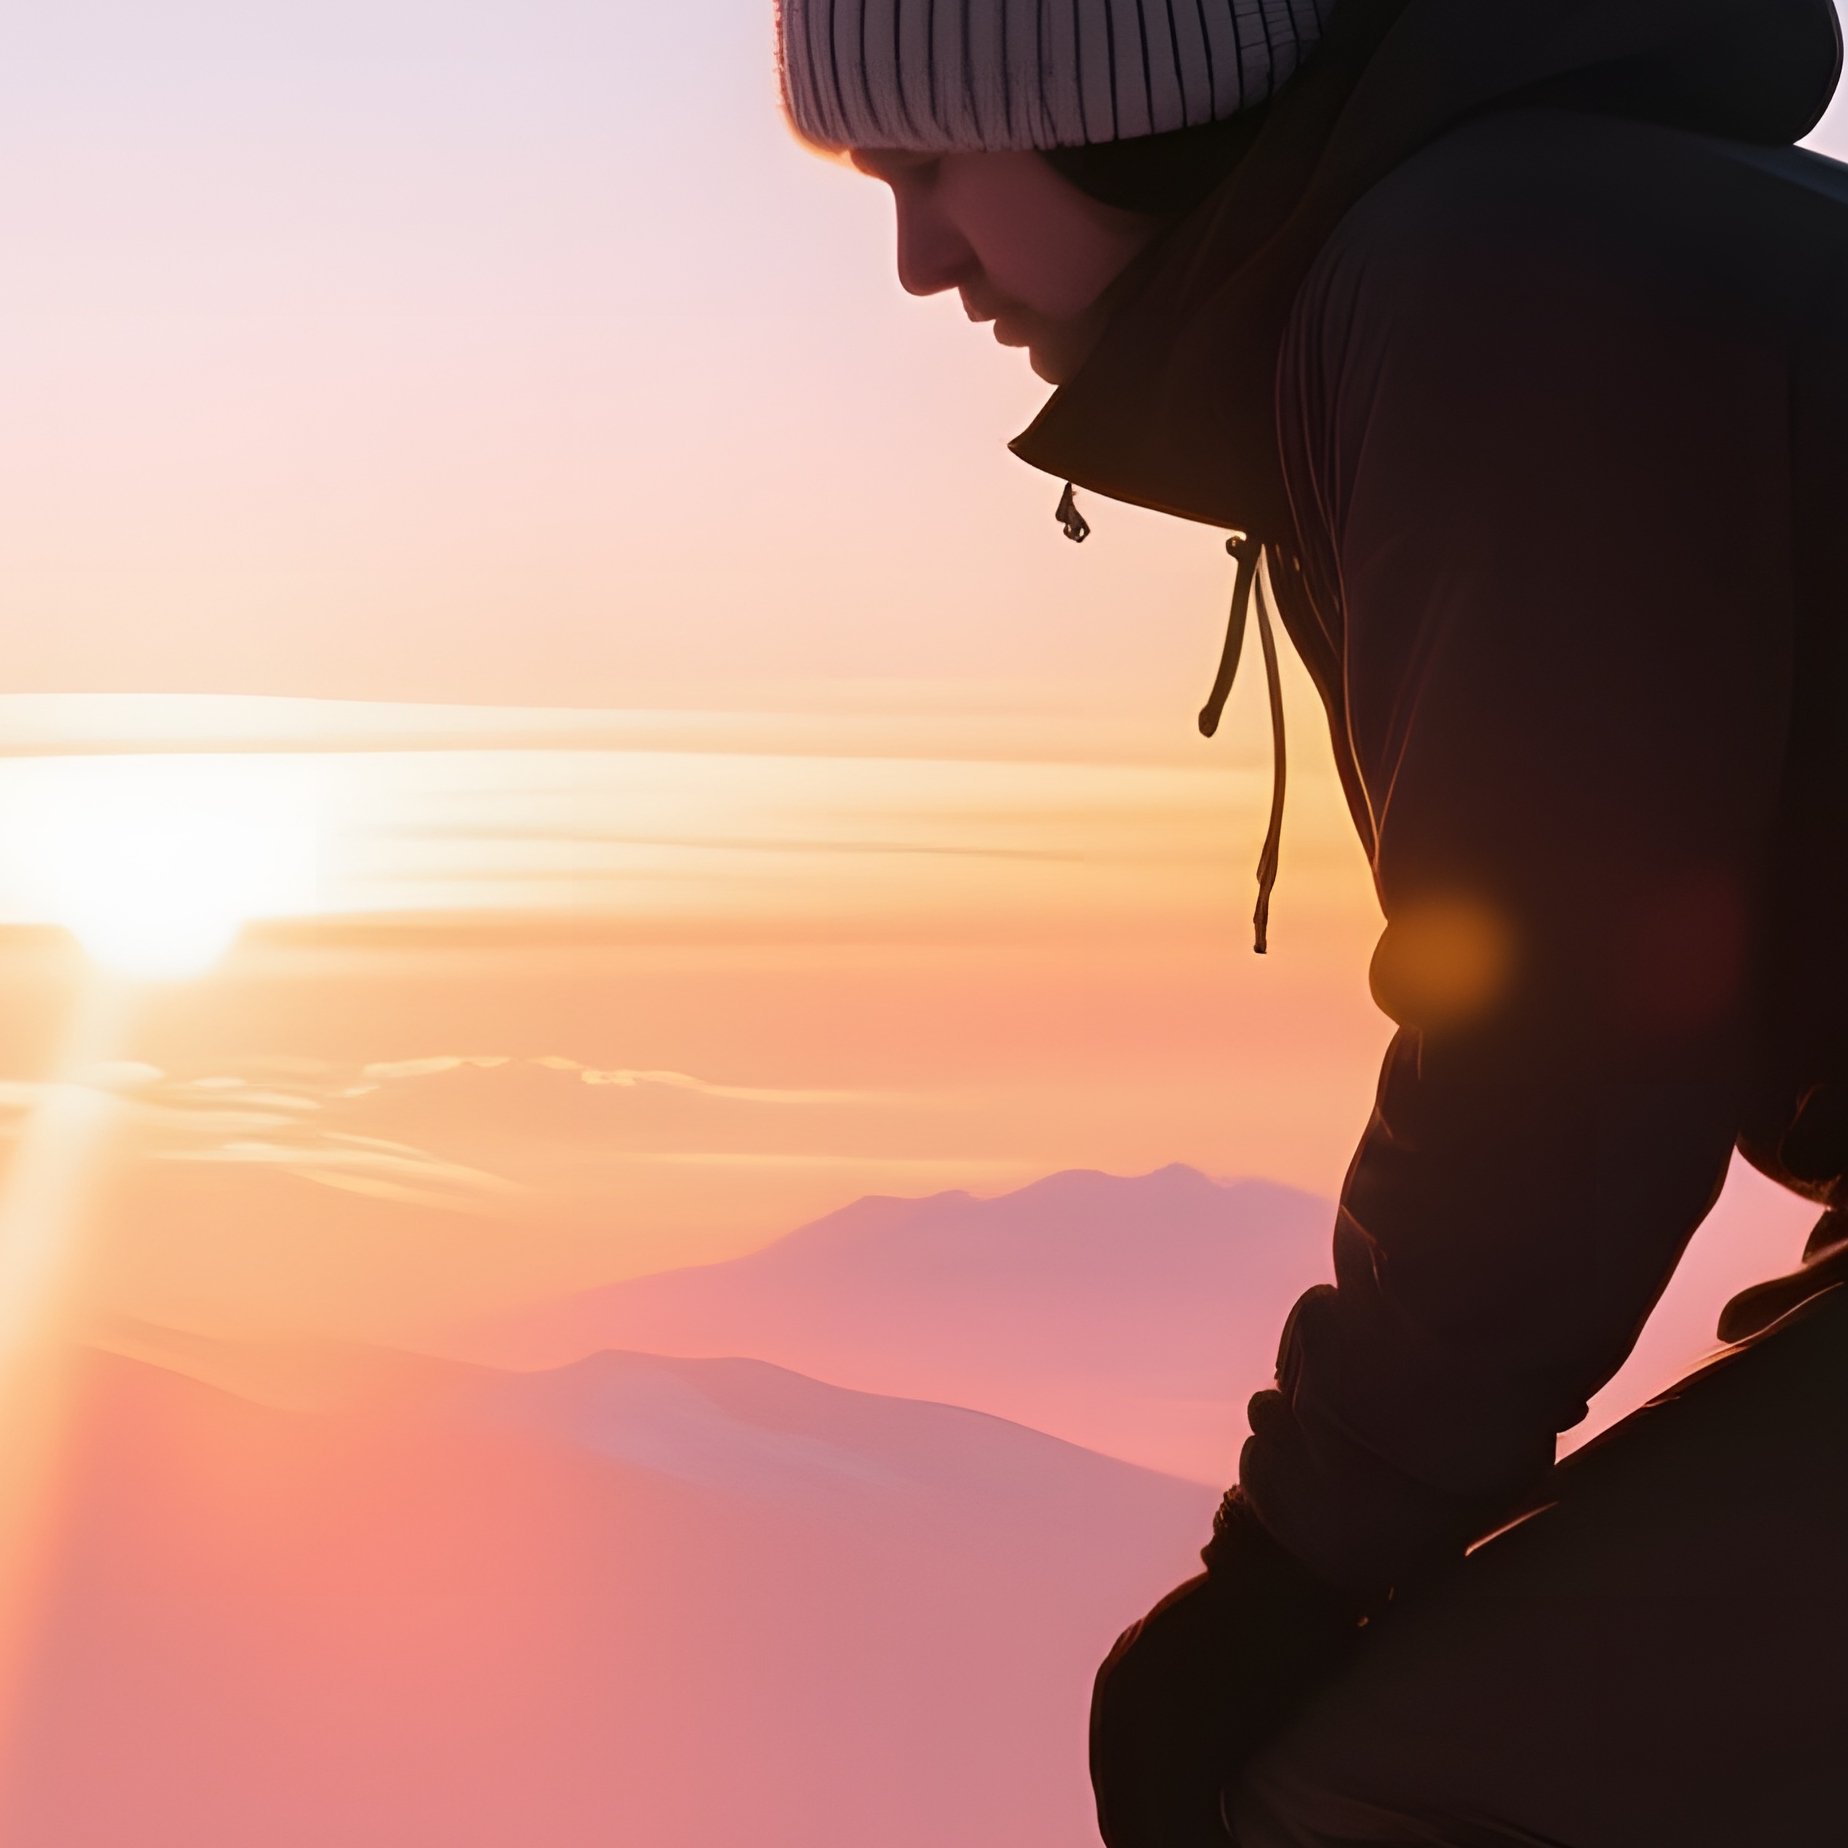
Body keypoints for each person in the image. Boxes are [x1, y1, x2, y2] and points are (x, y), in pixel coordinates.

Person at [771, 0, 1848, 1841]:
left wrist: (1291, 1568)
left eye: (934, 166)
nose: (917, 260)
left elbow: (1568, 1039)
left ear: (1115, 95)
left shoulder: (1494, 286)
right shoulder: (1544, 226)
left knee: (1357, 1794)